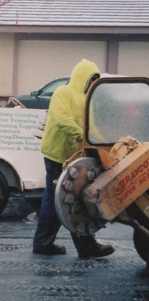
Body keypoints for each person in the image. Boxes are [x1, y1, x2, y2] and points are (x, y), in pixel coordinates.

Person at [32, 58, 115, 258]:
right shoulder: (63, 93)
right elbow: (63, 119)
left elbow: (92, 128)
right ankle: (51, 244)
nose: (92, 83)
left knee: (74, 199)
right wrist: (85, 137)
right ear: (82, 77)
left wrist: (107, 146)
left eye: (96, 80)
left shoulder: (88, 100)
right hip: (57, 156)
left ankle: (66, 245)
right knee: (60, 200)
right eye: (91, 79)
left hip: (75, 157)